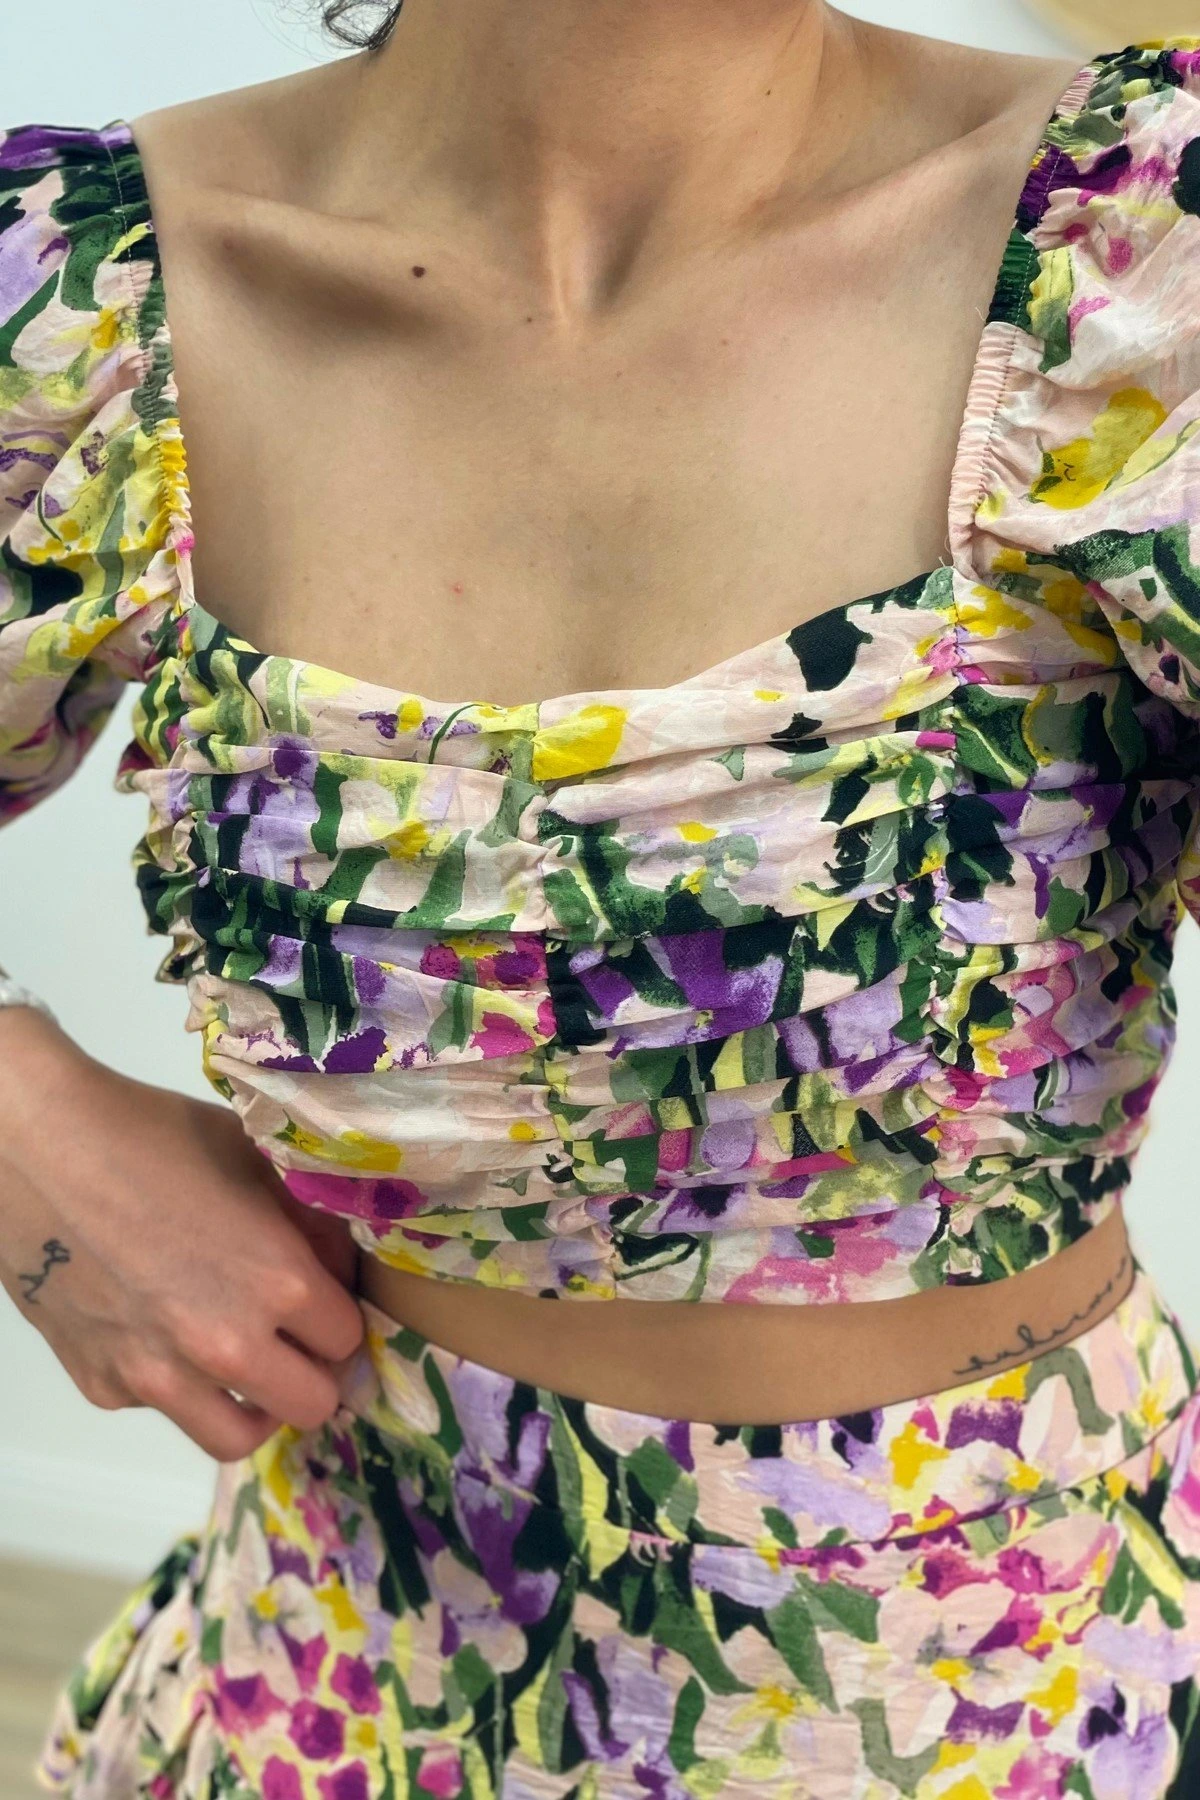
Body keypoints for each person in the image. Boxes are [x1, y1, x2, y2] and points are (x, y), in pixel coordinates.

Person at [2, 4, 1200, 1794]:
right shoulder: (85, 291)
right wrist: (24, 1130)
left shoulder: (1139, 245)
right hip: (336, 1685)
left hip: (1015, 1695)